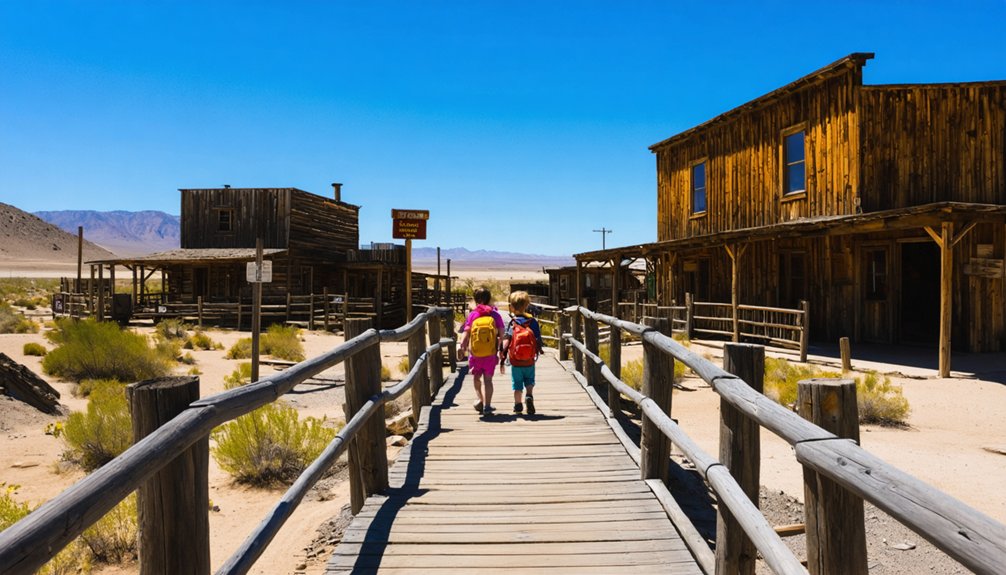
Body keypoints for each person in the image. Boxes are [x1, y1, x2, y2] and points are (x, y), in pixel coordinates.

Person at [457, 287, 505, 417]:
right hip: (490, 353)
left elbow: (466, 333)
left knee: (476, 377)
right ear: (489, 299)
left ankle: (480, 400)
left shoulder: (473, 315)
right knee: (488, 380)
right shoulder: (495, 315)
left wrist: (462, 347)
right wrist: (500, 348)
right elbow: (502, 334)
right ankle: (487, 406)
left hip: (475, 353)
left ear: (475, 300)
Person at [501, 290, 543, 415]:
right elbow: (538, 339)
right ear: (526, 306)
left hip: (515, 361)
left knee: (517, 384)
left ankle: (518, 405)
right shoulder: (533, 322)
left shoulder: (513, 323)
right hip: (529, 360)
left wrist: (502, 356)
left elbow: (507, 341)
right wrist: (539, 350)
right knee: (529, 381)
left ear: (512, 307)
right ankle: (529, 396)